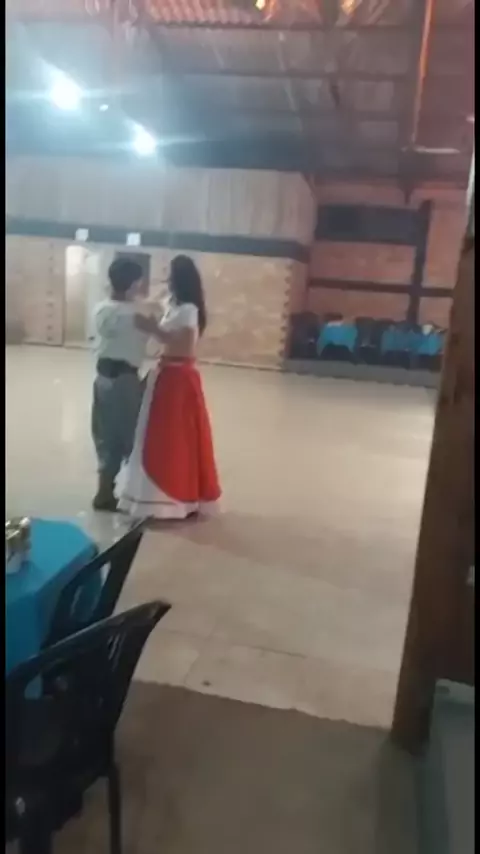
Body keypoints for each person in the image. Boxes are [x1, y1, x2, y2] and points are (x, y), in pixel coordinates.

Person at [118, 254, 221, 520]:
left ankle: (172, 498)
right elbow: (152, 305)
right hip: (165, 375)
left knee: (174, 438)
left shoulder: (189, 310)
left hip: (179, 378)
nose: (167, 279)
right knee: (157, 437)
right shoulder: (172, 304)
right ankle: (151, 494)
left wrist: (153, 329)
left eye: (171, 274)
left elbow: (183, 344)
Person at [91, 257, 150, 511]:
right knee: (130, 436)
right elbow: (161, 335)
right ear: (134, 283)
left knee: (104, 435)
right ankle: (132, 495)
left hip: (103, 379)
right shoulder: (136, 315)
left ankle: (105, 491)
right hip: (125, 382)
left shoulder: (102, 308)